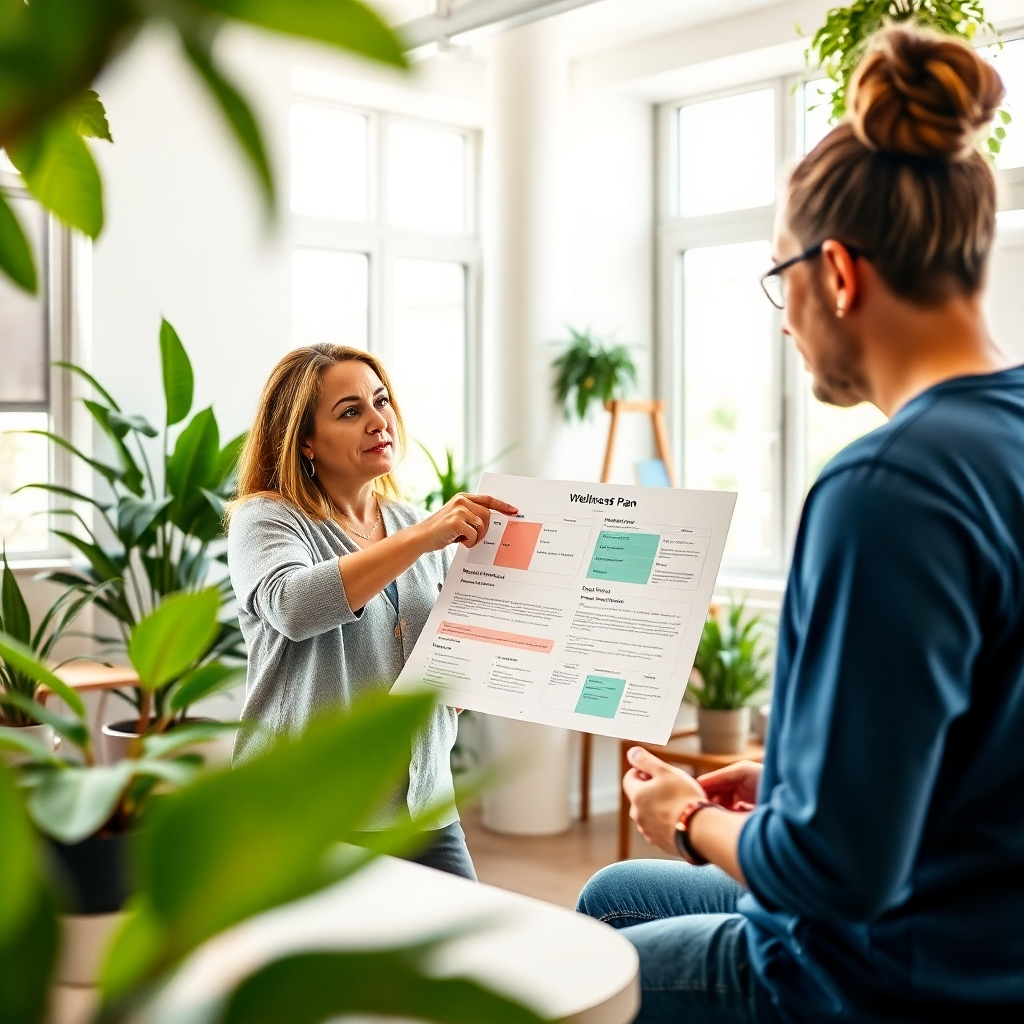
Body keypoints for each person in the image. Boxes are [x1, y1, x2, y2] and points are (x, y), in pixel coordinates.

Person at [577, 25, 1024, 1023]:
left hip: (880, 975)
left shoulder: (887, 486)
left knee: (575, 975)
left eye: (779, 281)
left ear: (836, 274)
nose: (781, 319)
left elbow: (834, 873)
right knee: (608, 896)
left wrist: (688, 817)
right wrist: (781, 778)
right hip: (991, 925)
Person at [227, 343, 516, 879]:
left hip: (423, 807)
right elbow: (293, 605)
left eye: (381, 402)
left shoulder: (411, 521)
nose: (379, 421)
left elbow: (446, 647)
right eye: (351, 411)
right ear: (304, 439)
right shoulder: (266, 519)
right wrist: (422, 538)